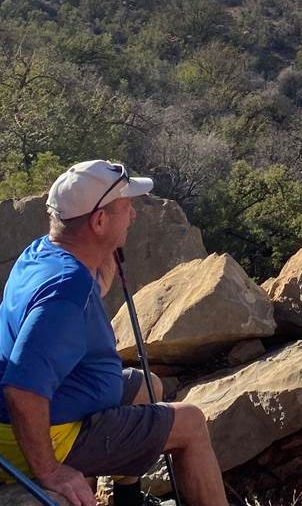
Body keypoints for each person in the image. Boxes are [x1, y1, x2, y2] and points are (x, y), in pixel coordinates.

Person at [0, 160, 228, 506]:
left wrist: (102, 251)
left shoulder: (43, 253)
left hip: (62, 403)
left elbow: (75, 302)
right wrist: (49, 470)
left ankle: (128, 499)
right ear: (99, 221)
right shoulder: (65, 290)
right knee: (192, 423)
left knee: (148, 385)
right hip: (48, 434)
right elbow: (22, 389)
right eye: (126, 207)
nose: (133, 216)